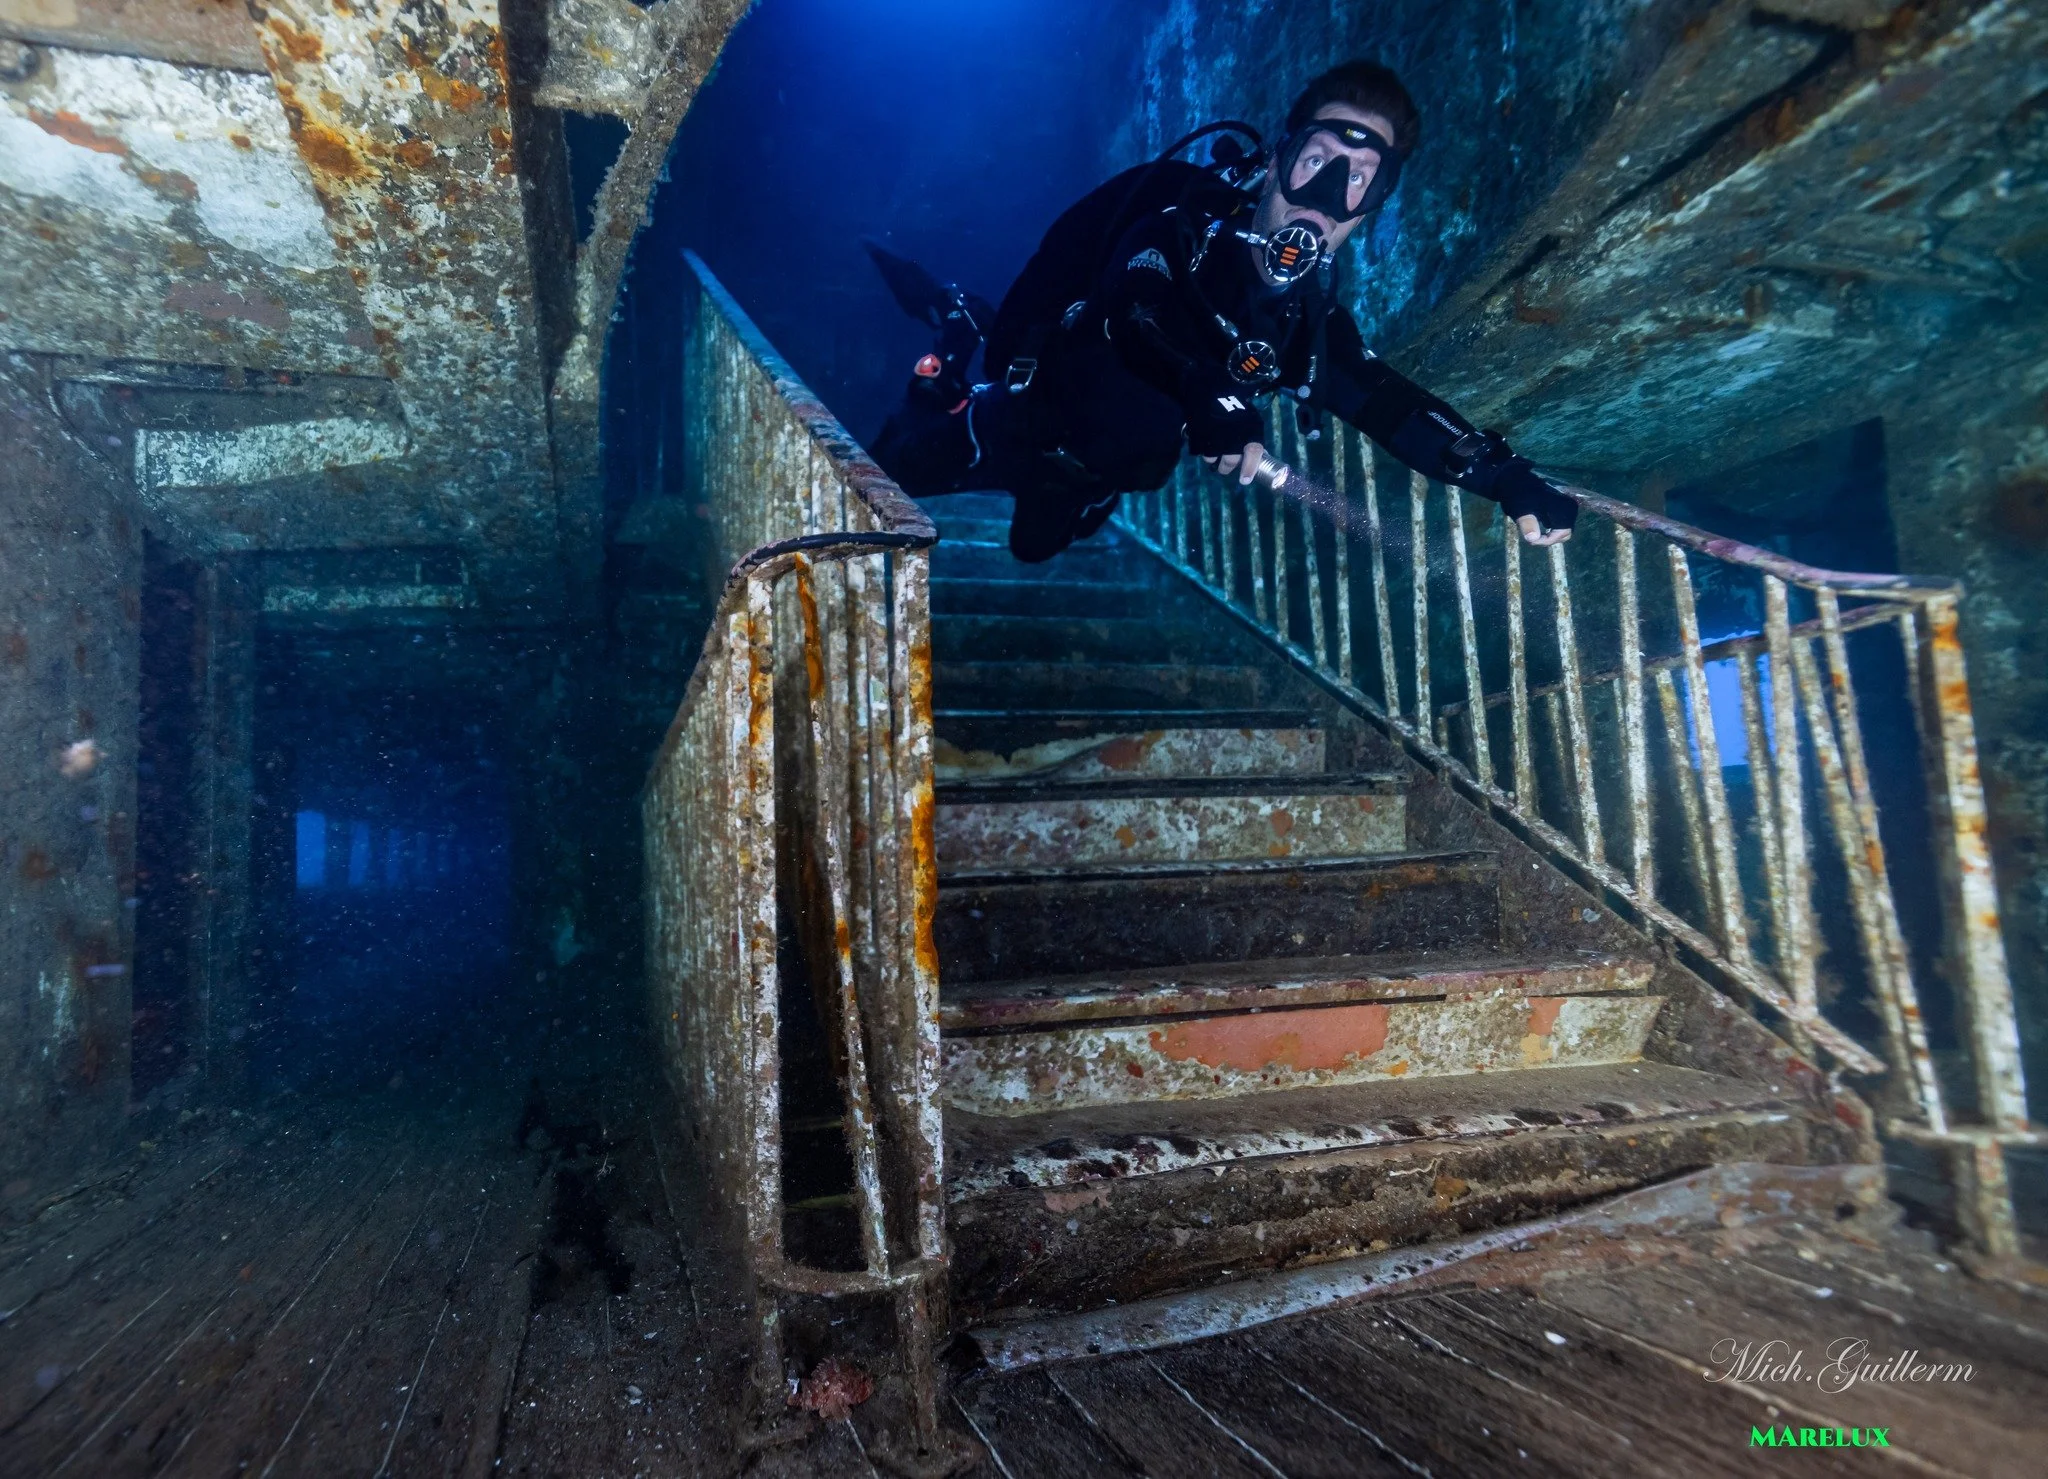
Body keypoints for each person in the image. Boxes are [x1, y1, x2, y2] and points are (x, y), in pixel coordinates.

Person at [867, 60, 1578, 563]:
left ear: (1370, 213)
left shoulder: (1305, 329)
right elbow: (1132, 302)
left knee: (1034, 549)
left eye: (1359, 180)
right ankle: (952, 332)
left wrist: (1501, 476)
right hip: (1015, 417)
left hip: (1094, 476)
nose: (1327, 196)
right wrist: (1199, 385)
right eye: (1317, 160)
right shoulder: (1178, 217)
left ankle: (991, 384)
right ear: (1277, 159)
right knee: (887, 472)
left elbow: (1386, 403)